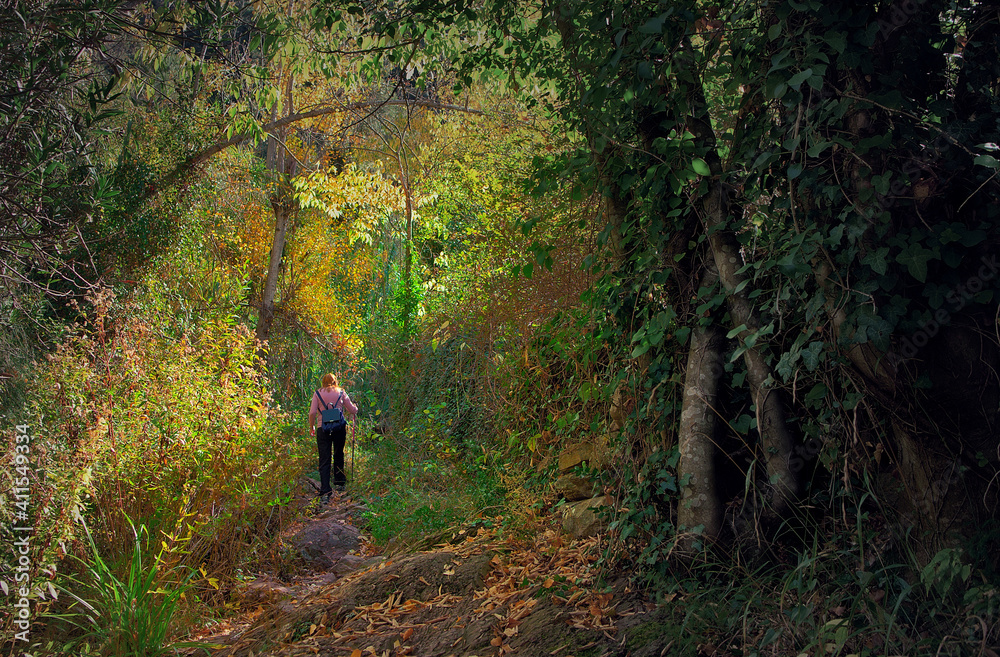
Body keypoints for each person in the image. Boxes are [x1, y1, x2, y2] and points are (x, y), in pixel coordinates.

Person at [308, 373, 358, 501]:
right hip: (338, 428)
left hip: (322, 428)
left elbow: (313, 412)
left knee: (324, 458)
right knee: (338, 453)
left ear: (323, 382)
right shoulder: (341, 392)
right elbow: (352, 409)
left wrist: (311, 426)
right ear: (335, 381)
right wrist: (355, 409)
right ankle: (339, 482)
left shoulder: (317, 393)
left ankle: (325, 490)